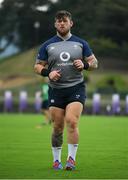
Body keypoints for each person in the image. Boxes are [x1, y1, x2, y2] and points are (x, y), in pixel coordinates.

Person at [34, 10, 98, 170]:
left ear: (71, 23)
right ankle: (56, 161)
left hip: (76, 88)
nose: (62, 23)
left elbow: (94, 63)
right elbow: (37, 66)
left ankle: (71, 160)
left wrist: (85, 65)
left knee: (72, 120)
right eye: (59, 21)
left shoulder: (81, 43)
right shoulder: (47, 45)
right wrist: (49, 73)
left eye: (65, 21)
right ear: (55, 24)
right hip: (56, 90)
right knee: (57, 127)